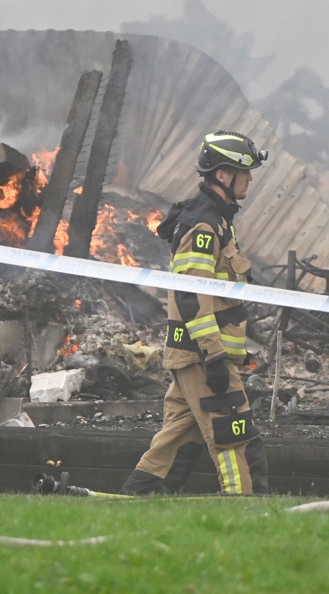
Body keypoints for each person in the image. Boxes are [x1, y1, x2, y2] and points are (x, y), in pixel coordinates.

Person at [120, 130, 270, 495]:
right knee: (235, 437)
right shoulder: (203, 225)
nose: (250, 178)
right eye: (243, 170)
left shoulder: (218, 220)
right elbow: (192, 294)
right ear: (222, 174)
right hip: (204, 356)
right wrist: (215, 357)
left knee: (176, 444)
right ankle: (247, 509)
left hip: (196, 356)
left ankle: (135, 502)